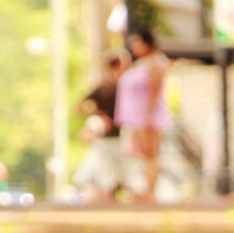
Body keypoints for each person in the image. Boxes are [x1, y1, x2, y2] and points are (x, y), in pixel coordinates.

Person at [114, 28, 171, 201]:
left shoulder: (156, 63)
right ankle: (146, 188)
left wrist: (149, 116)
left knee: (150, 154)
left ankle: (151, 191)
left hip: (147, 117)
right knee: (141, 154)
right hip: (135, 116)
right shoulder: (141, 63)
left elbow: (155, 92)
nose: (134, 47)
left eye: (138, 43)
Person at [73, 49, 131, 201]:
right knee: (118, 173)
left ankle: (108, 201)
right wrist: (98, 115)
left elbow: (79, 105)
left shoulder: (103, 85)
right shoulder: (120, 86)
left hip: (109, 138)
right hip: (119, 136)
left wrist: (96, 114)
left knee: (107, 175)